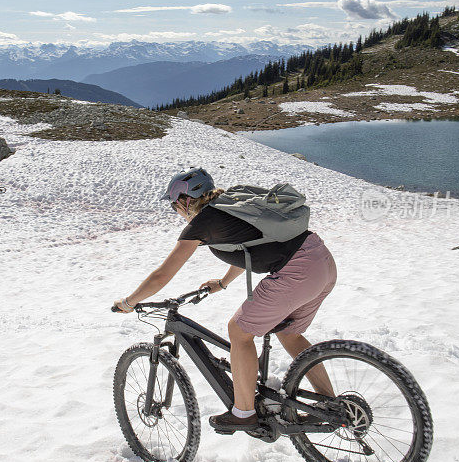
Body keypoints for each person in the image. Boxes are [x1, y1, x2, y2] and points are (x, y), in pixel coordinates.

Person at [112, 167, 338, 432]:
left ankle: (244, 413)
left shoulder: (203, 222)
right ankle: (329, 405)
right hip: (321, 261)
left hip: (297, 271)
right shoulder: (229, 204)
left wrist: (129, 302)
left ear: (185, 201)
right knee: (289, 334)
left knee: (239, 331)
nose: (175, 212)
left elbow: (162, 275)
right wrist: (223, 283)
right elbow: (250, 248)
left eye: (174, 205)